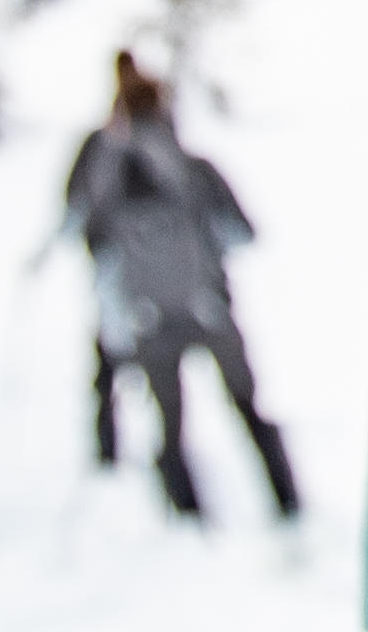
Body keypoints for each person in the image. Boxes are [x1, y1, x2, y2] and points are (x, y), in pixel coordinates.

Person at [61, 51, 295, 523]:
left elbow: (82, 234)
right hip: (209, 309)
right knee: (248, 410)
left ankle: (189, 521)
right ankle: (288, 506)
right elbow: (244, 232)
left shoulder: (105, 174)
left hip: (146, 319)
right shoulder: (194, 170)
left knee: (171, 425)